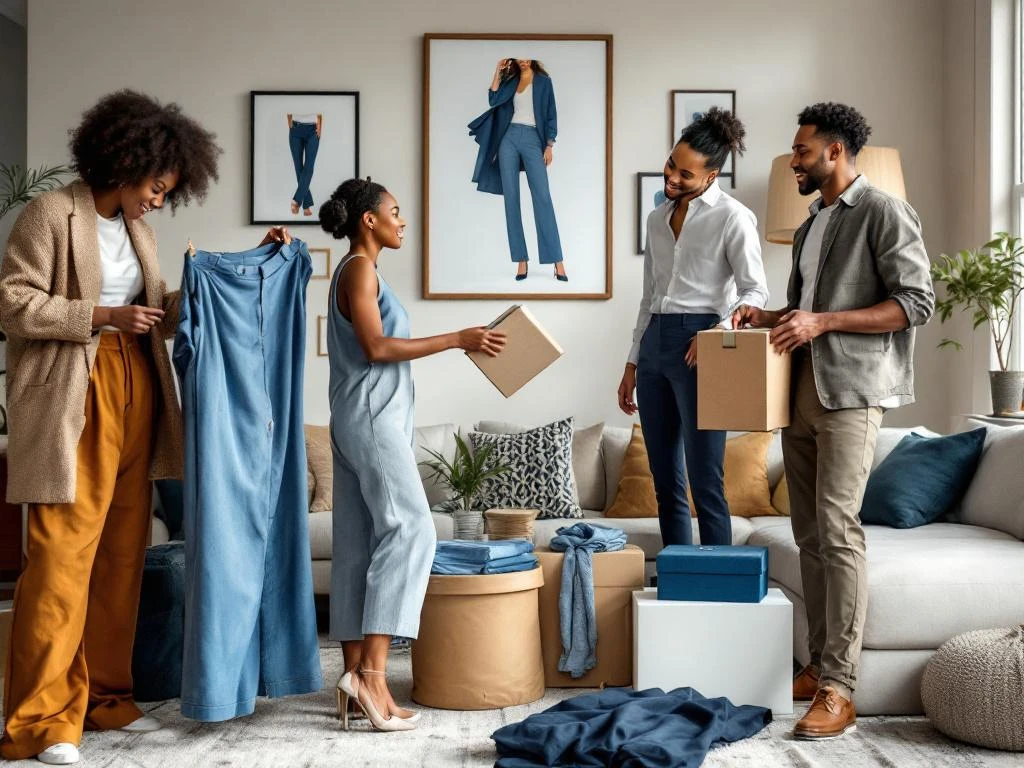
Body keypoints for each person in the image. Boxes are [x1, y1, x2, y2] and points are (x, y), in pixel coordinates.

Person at [0, 89, 288, 766]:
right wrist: (102, 317)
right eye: (157, 186)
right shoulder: (51, 213)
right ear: (125, 163)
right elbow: (12, 302)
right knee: (61, 558)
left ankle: (106, 700)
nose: (159, 200)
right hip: (75, 389)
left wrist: (245, 262)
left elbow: (163, 311)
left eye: (167, 191)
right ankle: (40, 721)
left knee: (122, 554)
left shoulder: (142, 236)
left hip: (140, 387)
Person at [733, 102, 935, 740]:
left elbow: (916, 303)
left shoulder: (884, 212)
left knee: (839, 530)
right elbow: (805, 310)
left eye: (802, 150)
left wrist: (821, 322)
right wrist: (770, 318)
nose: (793, 160)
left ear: (836, 151)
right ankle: (820, 665)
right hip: (800, 391)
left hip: (853, 392)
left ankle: (841, 688)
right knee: (809, 533)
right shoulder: (812, 222)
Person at [320, 177, 505, 732]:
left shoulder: (354, 270)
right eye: (395, 211)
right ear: (369, 220)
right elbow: (377, 347)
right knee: (413, 529)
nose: (402, 221)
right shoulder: (360, 269)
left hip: (356, 419)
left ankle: (352, 678)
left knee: (358, 545)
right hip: (372, 419)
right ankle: (372, 678)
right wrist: (458, 339)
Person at [617, 108, 768, 549]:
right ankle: (677, 574)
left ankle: (718, 579)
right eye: (671, 165)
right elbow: (648, 296)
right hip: (654, 345)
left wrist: (719, 333)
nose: (671, 177)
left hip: (701, 346)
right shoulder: (656, 219)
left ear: (711, 175)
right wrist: (631, 363)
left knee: (706, 482)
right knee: (664, 483)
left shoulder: (733, 217)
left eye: (685, 173)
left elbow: (755, 291)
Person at [469, 58, 567, 281]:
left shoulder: (544, 82)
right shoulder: (511, 80)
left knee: (542, 198)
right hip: (508, 139)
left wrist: (549, 145)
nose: (523, 61)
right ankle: (521, 260)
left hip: (533, 139)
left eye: (526, 57)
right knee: (511, 199)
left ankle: (557, 260)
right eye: (518, 57)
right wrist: (498, 69)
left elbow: (551, 114)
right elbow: (493, 99)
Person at [288, 111, 322, 216]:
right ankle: (306, 205)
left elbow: (322, 108)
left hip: (313, 129)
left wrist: (320, 126)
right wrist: (289, 122)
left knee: (309, 168)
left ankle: (296, 200)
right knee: (298, 168)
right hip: (295, 128)